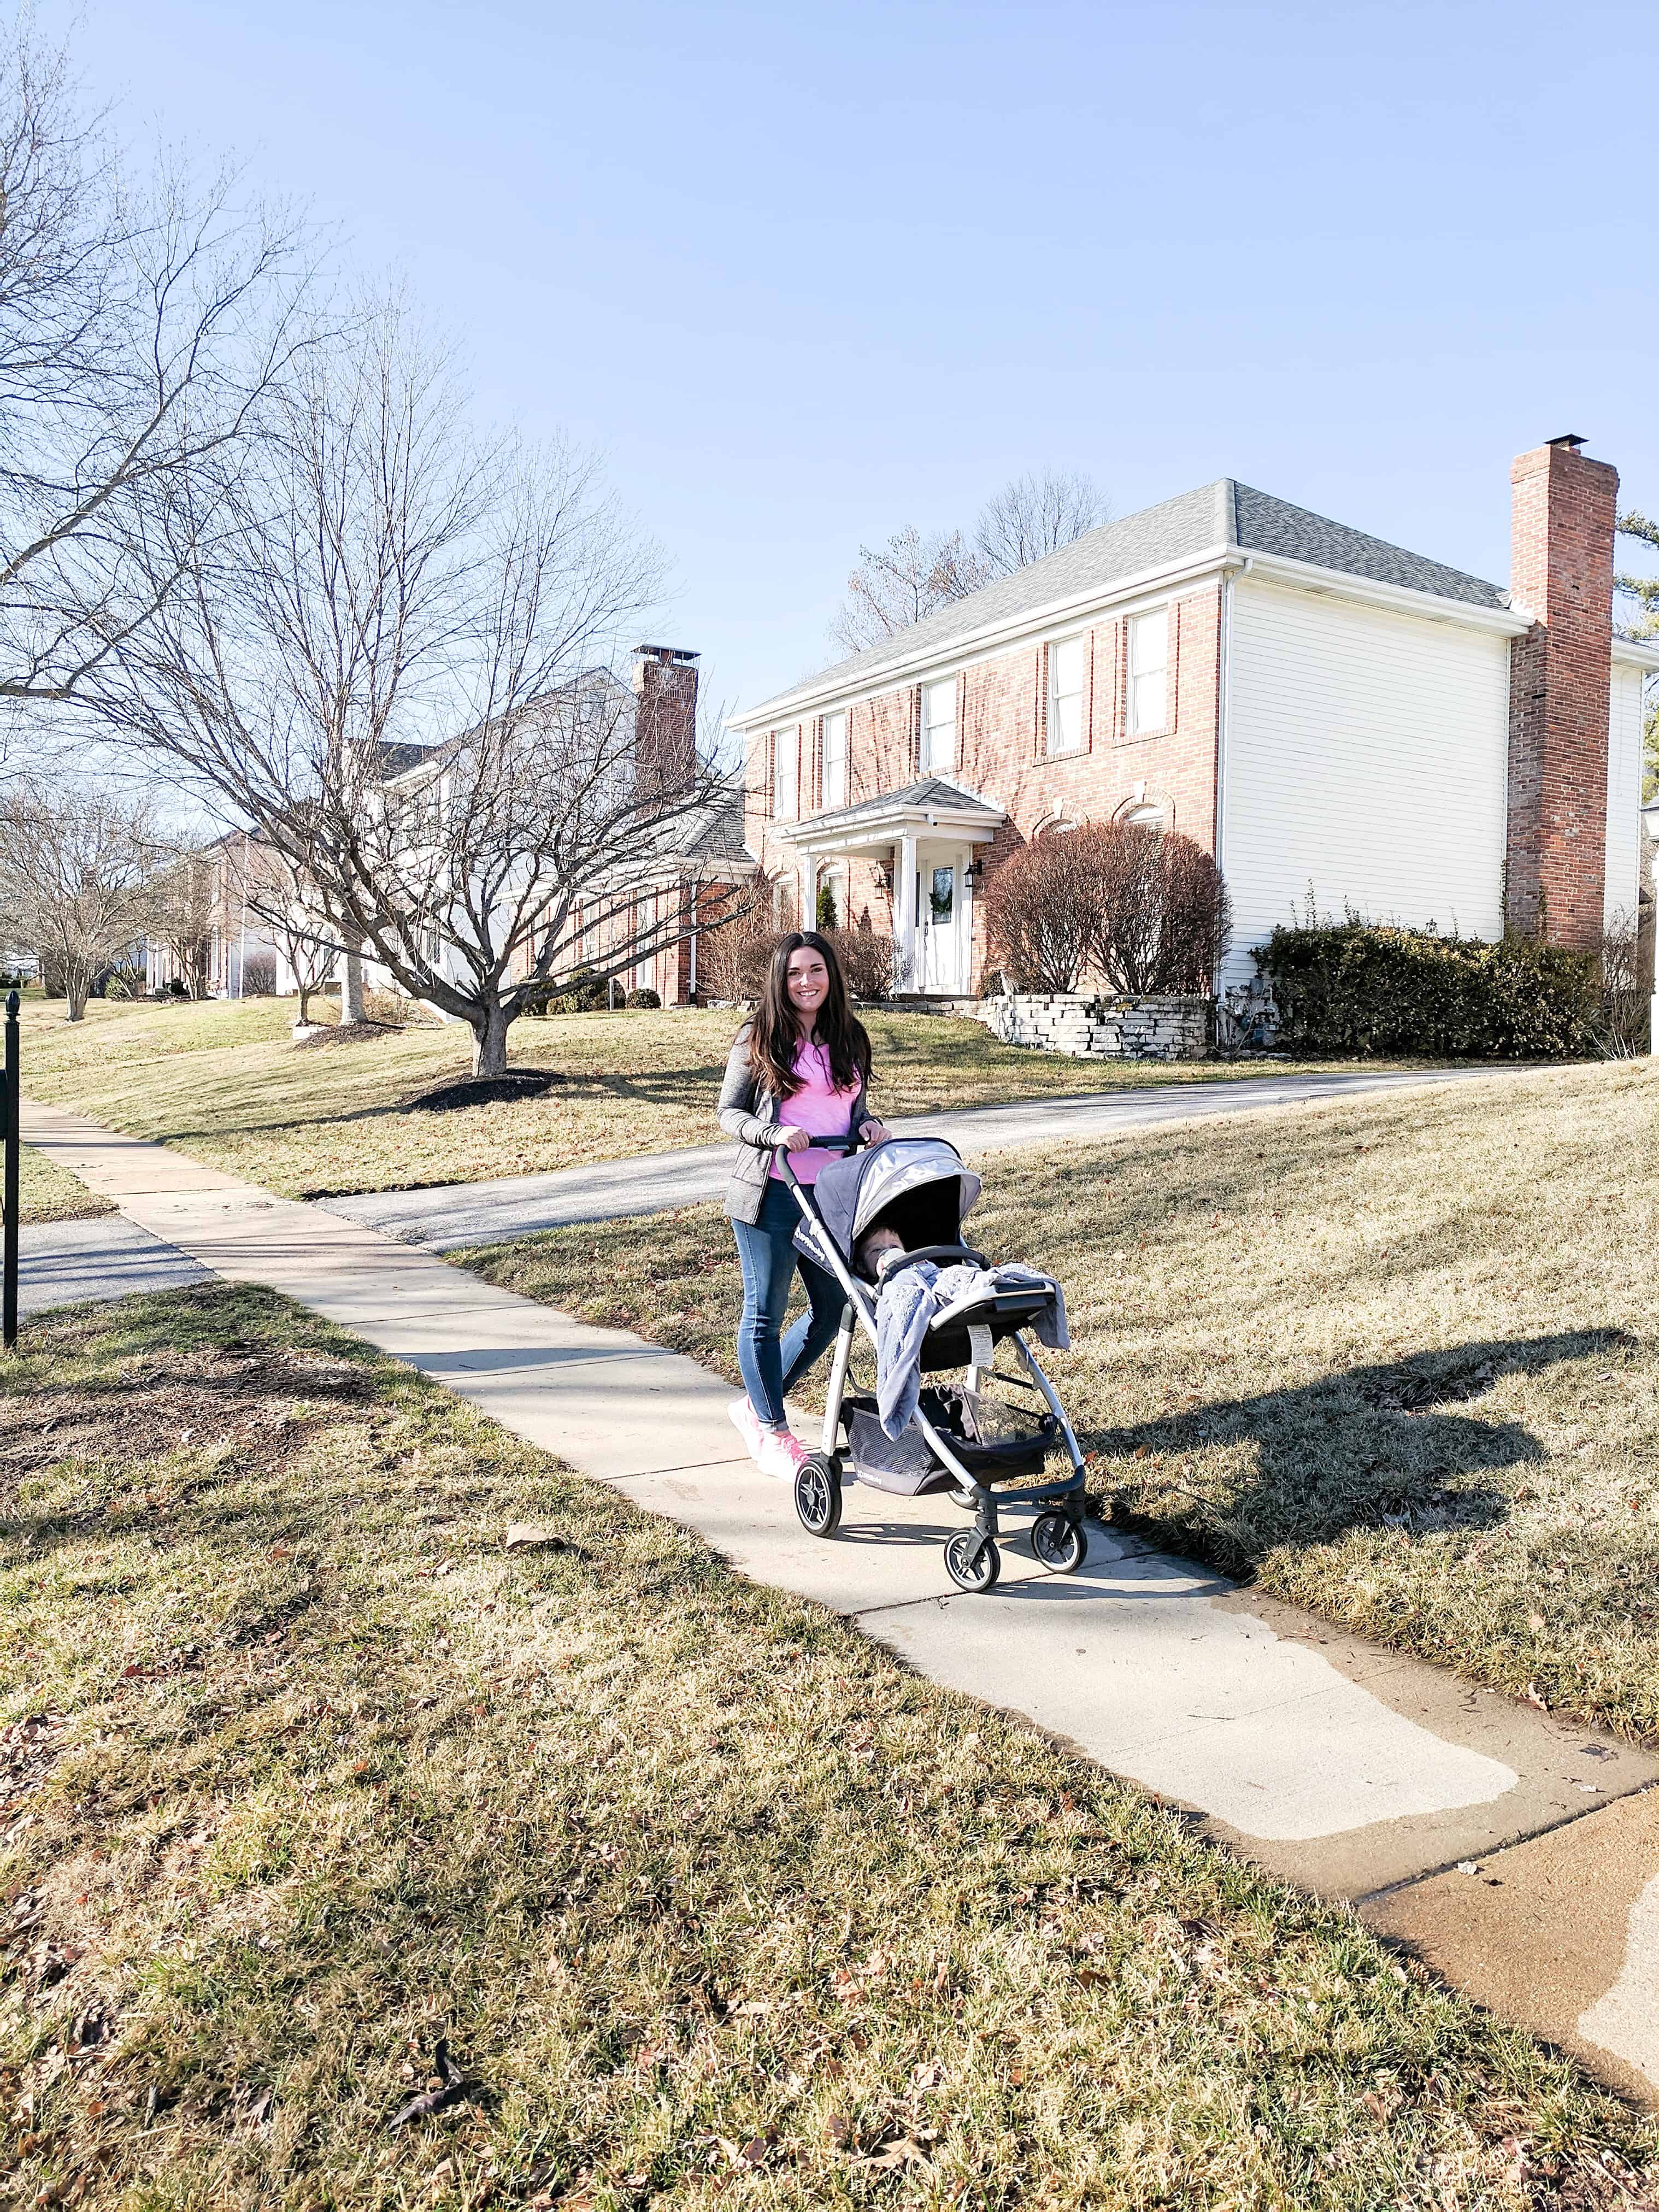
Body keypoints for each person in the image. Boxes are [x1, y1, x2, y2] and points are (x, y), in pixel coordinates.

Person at [717, 930, 891, 1479]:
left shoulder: (850, 1037)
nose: (806, 982)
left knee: (837, 1307)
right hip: (772, 1190)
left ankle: (756, 1402)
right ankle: (772, 1430)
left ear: (831, 975)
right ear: (781, 979)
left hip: (834, 1193)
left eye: (815, 970)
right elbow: (729, 1112)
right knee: (764, 1313)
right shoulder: (759, 1035)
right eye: (795, 973)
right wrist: (772, 1133)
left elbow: (853, 1107)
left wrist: (869, 1125)